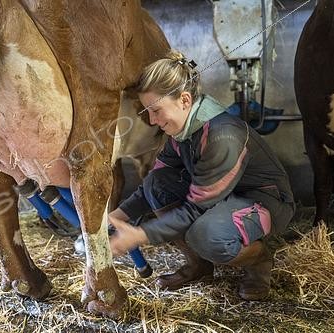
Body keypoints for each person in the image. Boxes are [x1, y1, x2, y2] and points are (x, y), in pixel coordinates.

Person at [108, 50, 295, 301]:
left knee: (205, 235)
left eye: (156, 110)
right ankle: (199, 266)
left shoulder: (222, 136)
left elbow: (193, 210)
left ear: (184, 100)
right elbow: (153, 183)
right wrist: (114, 216)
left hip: (264, 201)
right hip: (225, 198)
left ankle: (259, 262)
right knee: (156, 184)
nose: (152, 121)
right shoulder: (183, 131)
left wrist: (139, 235)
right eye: (147, 112)